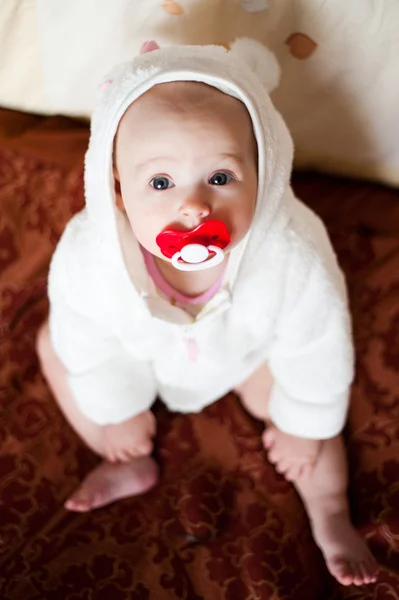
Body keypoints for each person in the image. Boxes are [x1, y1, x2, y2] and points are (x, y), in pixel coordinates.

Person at [36, 39, 378, 586]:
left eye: (220, 178)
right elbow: (88, 336)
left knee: (308, 411)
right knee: (57, 347)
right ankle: (124, 458)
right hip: (137, 353)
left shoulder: (290, 250)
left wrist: (304, 423)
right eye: (161, 183)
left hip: (248, 355)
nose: (194, 206)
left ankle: (330, 511)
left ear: (263, 170)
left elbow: (316, 341)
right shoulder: (90, 255)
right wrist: (115, 404)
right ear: (118, 192)